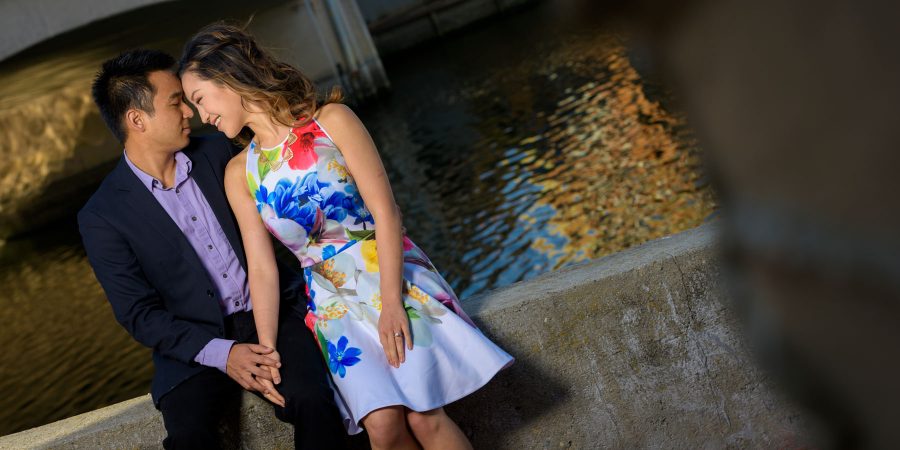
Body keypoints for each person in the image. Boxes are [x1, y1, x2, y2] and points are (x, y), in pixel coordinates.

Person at [178, 23, 515, 450]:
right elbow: (261, 269)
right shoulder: (239, 173)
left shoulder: (331, 121)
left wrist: (392, 302)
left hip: (389, 274)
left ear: (228, 78)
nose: (202, 115)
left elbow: (387, 213)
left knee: (425, 416)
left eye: (201, 99)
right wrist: (267, 351)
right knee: (381, 427)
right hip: (331, 302)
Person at [78, 49, 348, 449]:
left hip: (270, 310)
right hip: (193, 344)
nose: (190, 112)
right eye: (176, 103)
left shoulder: (221, 154)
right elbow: (138, 314)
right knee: (190, 439)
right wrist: (224, 354)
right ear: (137, 120)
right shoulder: (103, 215)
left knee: (313, 399)